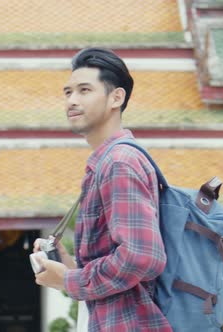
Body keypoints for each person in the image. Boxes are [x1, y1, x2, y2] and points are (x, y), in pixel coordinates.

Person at [33, 47, 171, 332]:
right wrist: (67, 265)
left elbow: (141, 256)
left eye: (85, 90)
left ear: (116, 98)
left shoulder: (120, 162)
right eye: (68, 92)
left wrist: (69, 280)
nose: (72, 100)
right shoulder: (106, 163)